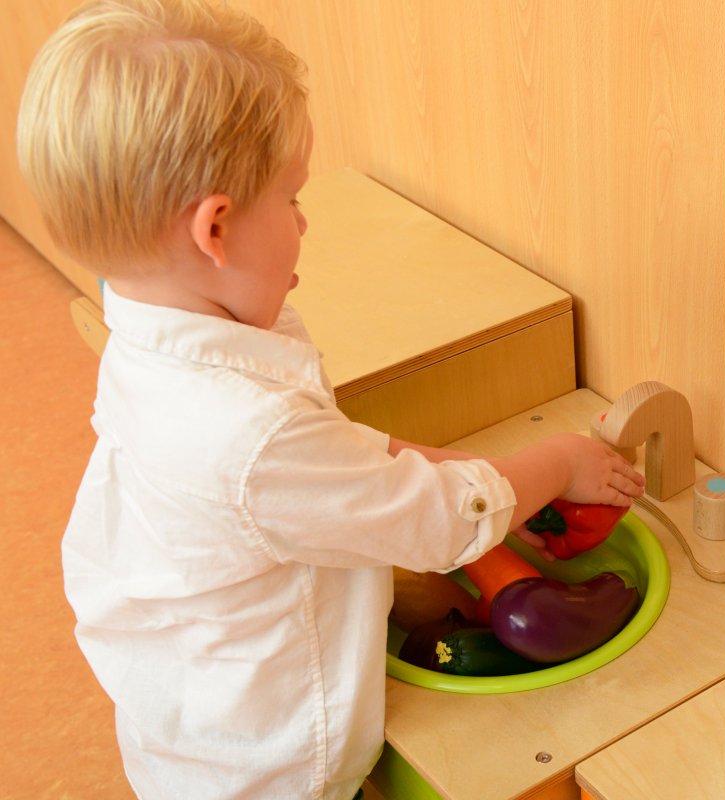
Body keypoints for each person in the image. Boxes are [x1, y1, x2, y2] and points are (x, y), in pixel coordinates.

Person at [17, 1, 645, 798]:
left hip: (189, 719)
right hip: (273, 774)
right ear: (215, 230)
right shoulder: (245, 432)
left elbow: (344, 459)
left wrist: (485, 481)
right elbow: (435, 521)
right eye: (292, 197)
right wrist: (555, 461)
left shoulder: (149, 327)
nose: (305, 222)